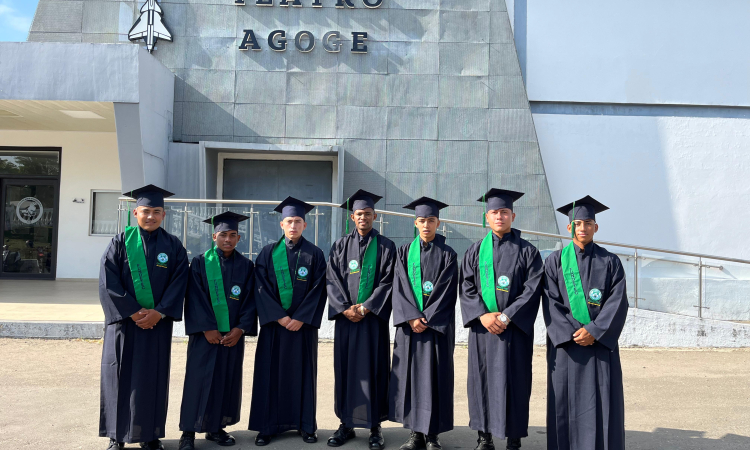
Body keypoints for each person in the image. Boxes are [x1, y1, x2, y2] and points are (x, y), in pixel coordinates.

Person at [98, 185, 189, 450]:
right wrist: (133, 311)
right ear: (135, 212)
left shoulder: (173, 246)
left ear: (164, 214)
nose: (150, 216)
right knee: (118, 377)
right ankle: (117, 436)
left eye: (156, 212)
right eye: (146, 211)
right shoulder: (120, 241)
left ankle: (150, 435)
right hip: (125, 325)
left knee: (153, 379)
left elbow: (179, 282)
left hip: (156, 326)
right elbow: (108, 281)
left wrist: (159, 312)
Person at [459, 189, 544, 450]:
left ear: (513, 216)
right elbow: (466, 286)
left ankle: (513, 438)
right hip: (484, 331)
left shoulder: (528, 252)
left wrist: (507, 316)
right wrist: (483, 315)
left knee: (515, 382)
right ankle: (484, 437)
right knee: (482, 381)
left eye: (504, 212)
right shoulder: (475, 251)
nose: (499, 216)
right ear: (487, 217)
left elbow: (532, 289)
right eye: (494, 212)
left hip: (514, 331)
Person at [542, 196, 628, 450]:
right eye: (578, 223)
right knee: (565, 401)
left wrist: (594, 331)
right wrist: (572, 332)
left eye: (588, 223)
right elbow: (550, 302)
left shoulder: (610, 261)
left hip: (600, 344)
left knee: (603, 397)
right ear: (569, 228)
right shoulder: (555, 262)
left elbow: (617, 301)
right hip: (567, 346)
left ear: (595, 227)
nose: (583, 228)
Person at [248, 196, 328, 446]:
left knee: (303, 375)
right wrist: (280, 317)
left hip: (302, 329)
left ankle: (305, 426)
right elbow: (259, 287)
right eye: (289, 221)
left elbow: (319, 289)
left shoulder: (314, 253)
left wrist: (301, 318)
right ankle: (267, 427)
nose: (293, 225)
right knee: (269, 375)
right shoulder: (268, 253)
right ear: (281, 225)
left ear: (305, 225)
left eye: (298, 221)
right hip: (275, 327)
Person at [178, 212, 258, 450]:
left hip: (232, 337)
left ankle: (216, 428)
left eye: (233, 235)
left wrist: (241, 329)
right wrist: (207, 328)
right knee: (197, 381)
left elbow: (250, 300)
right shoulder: (201, 262)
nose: (228, 240)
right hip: (206, 337)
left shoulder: (246, 266)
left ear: (239, 238)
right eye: (223, 235)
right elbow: (194, 297)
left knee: (225, 380)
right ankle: (188, 433)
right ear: (214, 236)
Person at [326, 190, 397, 450]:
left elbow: (389, 281)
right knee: (346, 371)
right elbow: (332, 279)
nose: (363, 217)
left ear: (375, 216)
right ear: (352, 217)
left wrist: (366, 308)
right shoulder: (340, 245)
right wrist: (345, 309)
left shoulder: (387, 246)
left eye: (368, 214)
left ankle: (375, 426)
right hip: (347, 322)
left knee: (374, 371)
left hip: (372, 322)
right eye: (359, 214)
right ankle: (346, 423)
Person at [388, 197, 458, 450]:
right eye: (421, 221)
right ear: (415, 223)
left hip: (436, 329)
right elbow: (399, 286)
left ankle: (433, 435)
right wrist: (411, 317)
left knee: (435, 378)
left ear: (438, 222)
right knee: (410, 379)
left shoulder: (448, 254)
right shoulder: (404, 252)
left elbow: (447, 290)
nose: (426, 225)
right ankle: (415, 434)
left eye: (431, 220)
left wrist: (426, 318)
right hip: (410, 328)